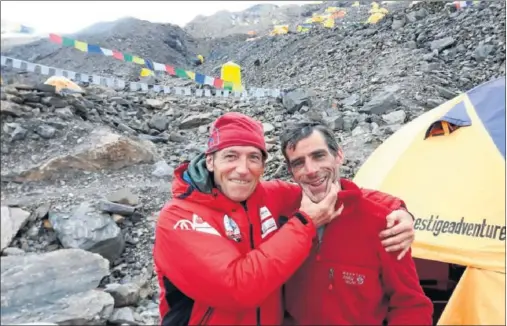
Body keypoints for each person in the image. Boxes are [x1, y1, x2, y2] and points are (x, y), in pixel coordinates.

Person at [153, 112, 416, 326]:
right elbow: (237, 288)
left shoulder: (266, 195)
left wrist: (398, 209)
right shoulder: (180, 216)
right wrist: (304, 223)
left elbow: (345, 193)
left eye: (253, 158)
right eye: (230, 156)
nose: (243, 169)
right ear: (210, 161)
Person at [280, 121, 433, 325]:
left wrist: (401, 210)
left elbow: (410, 304)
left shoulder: (384, 224)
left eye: (319, 156)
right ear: (291, 171)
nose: (311, 170)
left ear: (339, 156)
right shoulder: (281, 214)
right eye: (298, 162)